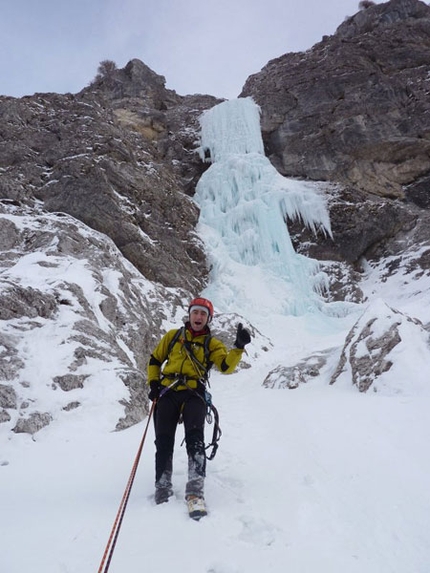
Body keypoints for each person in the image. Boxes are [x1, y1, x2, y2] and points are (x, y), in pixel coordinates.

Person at [147, 296, 251, 515]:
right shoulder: (173, 337)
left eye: (203, 314)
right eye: (196, 312)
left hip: (194, 393)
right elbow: (155, 360)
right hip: (168, 390)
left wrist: (238, 348)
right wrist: (154, 383)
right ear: (189, 314)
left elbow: (225, 366)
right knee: (163, 440)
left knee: (195, 440)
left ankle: (195, 491)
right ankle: (162, 486)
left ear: (208, 319)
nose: (198, 316)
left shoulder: (211, 344)